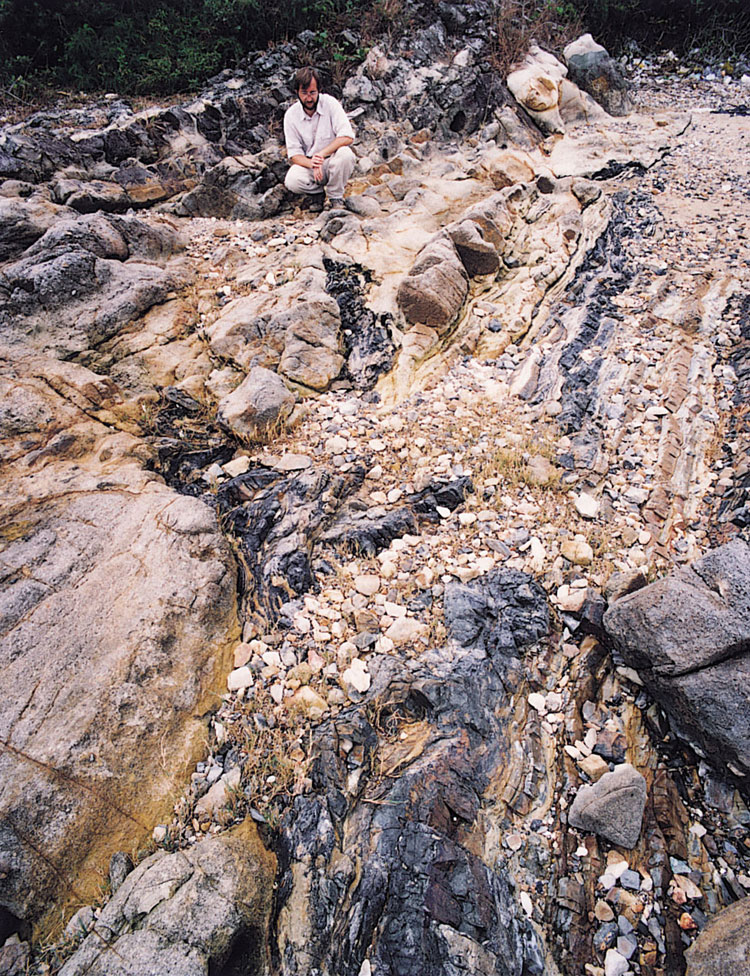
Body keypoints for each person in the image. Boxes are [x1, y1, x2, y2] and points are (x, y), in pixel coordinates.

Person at [283, 66, 355, 208]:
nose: (309, 98)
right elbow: (295, 155)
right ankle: (317, 194)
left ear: (319, 90)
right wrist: (313, 163)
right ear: (297, 92)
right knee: (292, 180)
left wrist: (321, 155)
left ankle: (335, 197)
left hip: (332, 161)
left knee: (346, 154)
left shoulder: (330, 104)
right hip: (310, 165)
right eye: (304, 93)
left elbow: (347, 136)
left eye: (313, 92)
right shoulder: (291, 115)